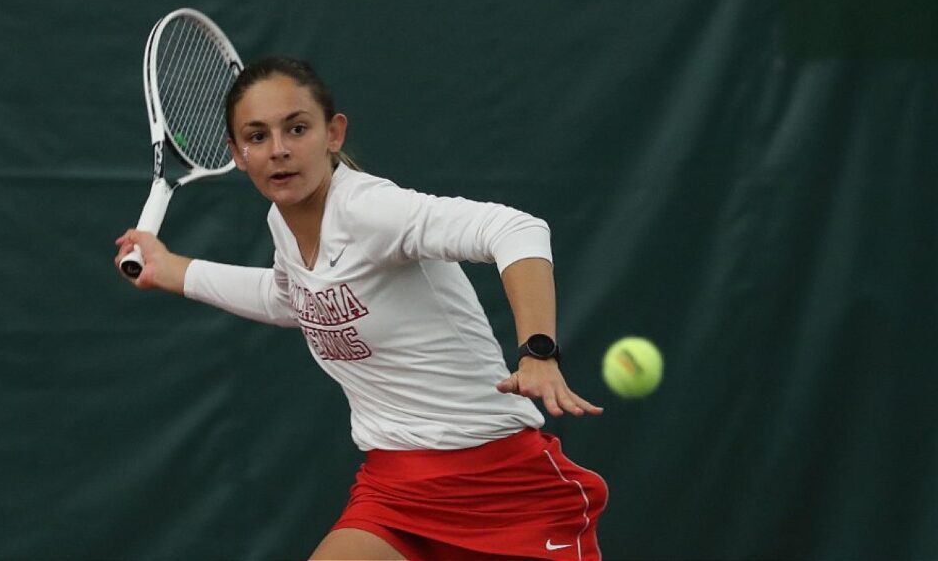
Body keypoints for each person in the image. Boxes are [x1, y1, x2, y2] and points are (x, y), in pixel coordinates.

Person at [114, 56, 608, 560]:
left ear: (334, 133)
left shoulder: (370, 210)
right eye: (257, 136)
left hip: (505, 488)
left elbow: (516, 230)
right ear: (237, 154)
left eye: (297, 128)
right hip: (394, 490)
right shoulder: (283, 223)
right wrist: (171, 269)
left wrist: (537, 352)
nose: (279, 150)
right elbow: (290, 298)